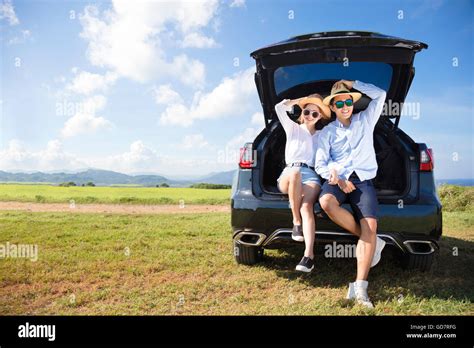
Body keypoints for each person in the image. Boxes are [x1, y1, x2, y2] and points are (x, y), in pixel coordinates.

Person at [315, 80, 387, 308]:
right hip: (338, 180)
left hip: (364, 180)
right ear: (333, 108)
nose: (345, 105)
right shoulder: (327, 131)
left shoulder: (366, 119)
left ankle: (360, 288)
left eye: (348, 101)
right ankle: (373, 243)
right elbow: (320, 163)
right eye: (340, 103)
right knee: (326, 201)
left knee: (371, 228)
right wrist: (336, 178)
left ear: (352, 104)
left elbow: (380, 95)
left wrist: (353, 83)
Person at [274, 94, 331, 272]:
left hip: (312, 175)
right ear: (302, 112)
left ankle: (308, 256)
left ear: (320, 116)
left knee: (307, 207)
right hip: (288, 175)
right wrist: (301, 100)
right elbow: (279, 108)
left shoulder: (323, 135)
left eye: (315, 113)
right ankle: (296, 221)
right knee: (295, 173)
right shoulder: (293, 128)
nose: (310, 116)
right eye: (307, 112)